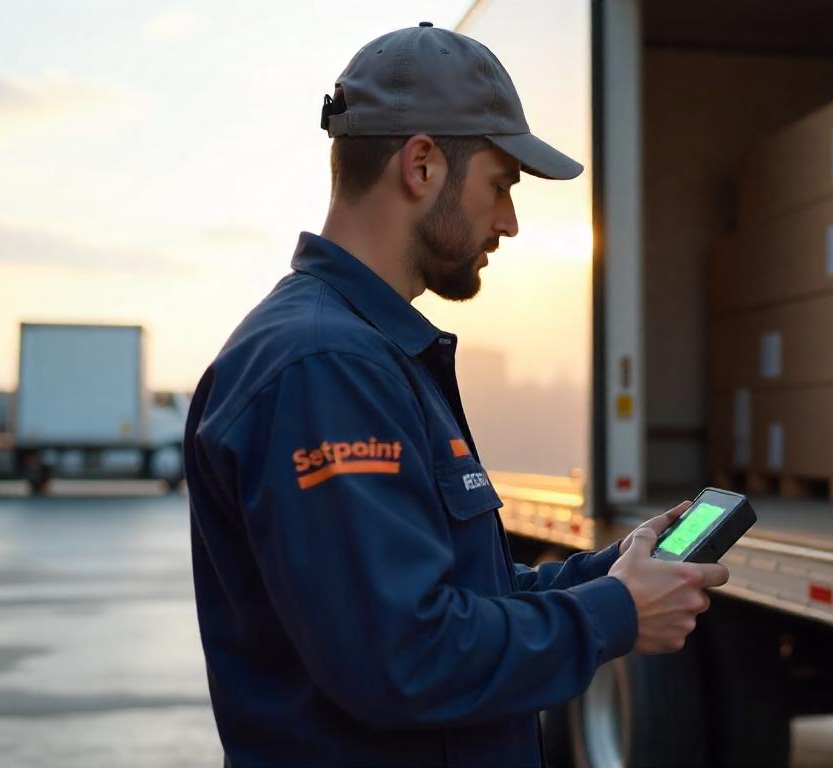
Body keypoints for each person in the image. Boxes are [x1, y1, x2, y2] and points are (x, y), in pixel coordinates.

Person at [183, 23, 728, 767]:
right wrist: (615, 615)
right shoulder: (325, 367)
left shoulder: (367, 352)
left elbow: (454, 596)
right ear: (422, 165)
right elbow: (401, 657)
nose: (508, 222)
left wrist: (605, 573)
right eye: (501, 186)